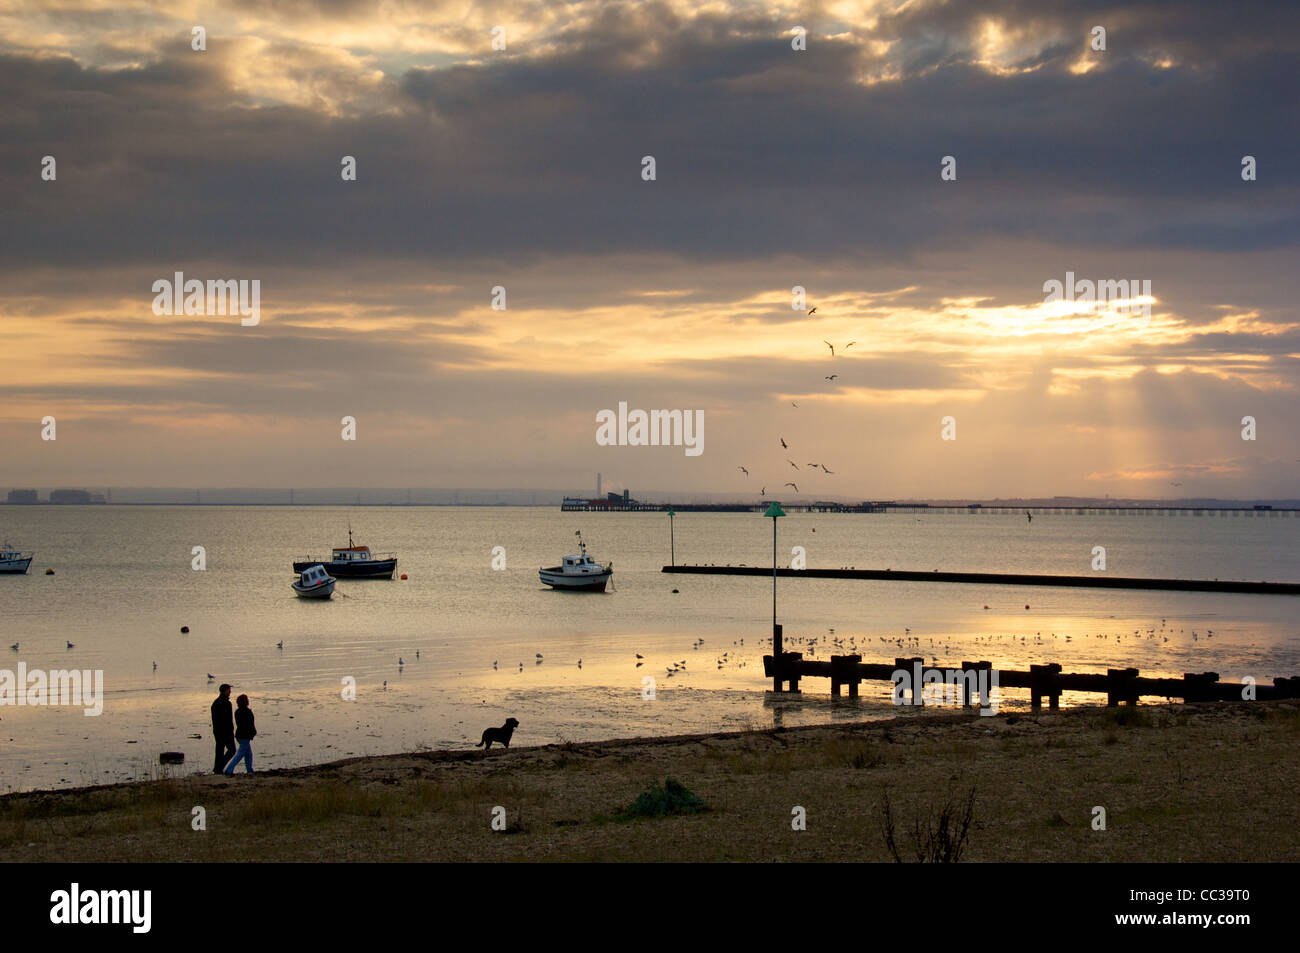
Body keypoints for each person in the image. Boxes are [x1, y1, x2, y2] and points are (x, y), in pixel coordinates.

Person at [224, 694, 257, 775]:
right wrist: (253, 732)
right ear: (245, 701)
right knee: (240, 754)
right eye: (247, 699)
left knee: (248, 753)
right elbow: (250, 724)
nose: (248, 701)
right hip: (244, 736)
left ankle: (249, 769)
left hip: (239, 735)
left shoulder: (237, 711)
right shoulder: (247, 711)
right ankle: (229, 770)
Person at [211, 684, 235, 774]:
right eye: (229, 690)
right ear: (224, 691)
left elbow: (214, 719)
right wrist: (231, 731)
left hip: (217, 731)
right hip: (226, 731)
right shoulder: (227, 703)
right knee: (232, 750)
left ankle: (218, 769)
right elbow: (228, 720)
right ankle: (218, 768)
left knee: (219, 751)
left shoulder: (215, 702)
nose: (230, 692)